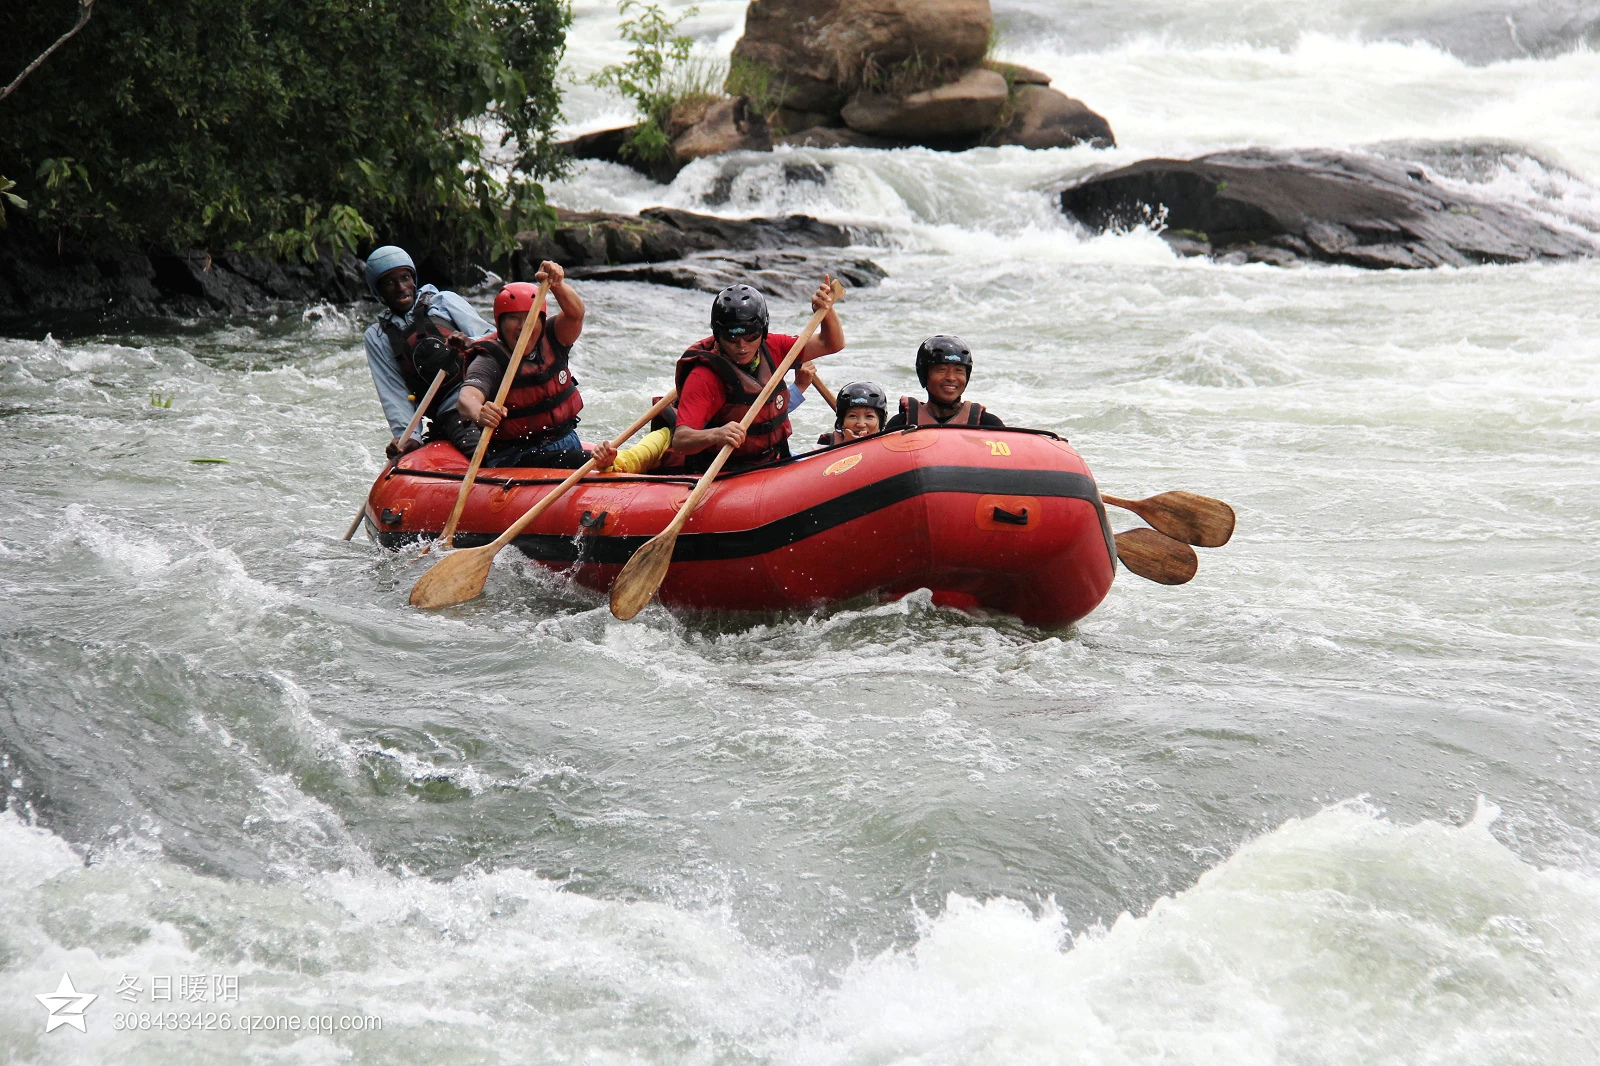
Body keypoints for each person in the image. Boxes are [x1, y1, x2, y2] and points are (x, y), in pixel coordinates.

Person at [672, 279, 844, 472]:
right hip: (728, 472)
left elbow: (832, 343)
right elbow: (681, 440)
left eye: (751, 336)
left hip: (775, 459)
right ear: (718, 334)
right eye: (732, 337)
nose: (742, 346)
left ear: (763, 330)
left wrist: (826, 310)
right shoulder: (704, 377)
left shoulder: (774, 346)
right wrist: (715, 435)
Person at [362, 246, 495, 457]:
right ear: (378, 291)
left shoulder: (444, 302)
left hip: (485, 387)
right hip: (453, 412)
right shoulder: (378, 337)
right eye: (389, 282)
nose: (400, 287)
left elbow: (493, 338)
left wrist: (470, 342)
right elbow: (394, 392)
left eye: (405, 278)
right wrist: (409, 438)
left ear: (414, 279)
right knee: (480, 452)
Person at [456, 262, 587, 468]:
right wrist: (479, 412)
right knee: (586, 462)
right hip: (515, 457)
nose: (523, 326)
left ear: (541, 321)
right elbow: (467, 398)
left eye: (530, 318)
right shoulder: (490, 359)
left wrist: (557, 284)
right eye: (514, 319)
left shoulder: (553, 338)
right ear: (500, 323)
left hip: (566, 442)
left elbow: (575, 314)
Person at [883, 335, 1006, 430]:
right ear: (925, 375)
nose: (951, 378)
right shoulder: (900, 424)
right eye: (941, 370)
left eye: (959, 371)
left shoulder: (988, 424)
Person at [815, 381, 889, 446]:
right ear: (841, 422)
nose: (861, 424)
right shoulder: (824, 445)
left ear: (881, 422)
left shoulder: (889, 445)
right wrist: (846, 446)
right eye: (852, 416)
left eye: (869, 416)